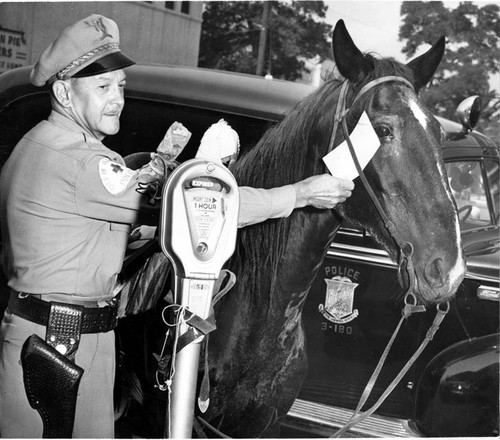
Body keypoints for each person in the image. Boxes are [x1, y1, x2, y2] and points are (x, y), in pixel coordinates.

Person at [0, 14, 354, 438]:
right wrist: (298, 195)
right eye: (102, 87)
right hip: (63, 345)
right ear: (62, 91)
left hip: (59, 336)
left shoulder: (42, 143)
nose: (117, 99)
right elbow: (198, 206)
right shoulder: (80, 162)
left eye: (120, 86)